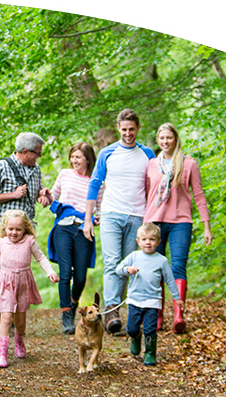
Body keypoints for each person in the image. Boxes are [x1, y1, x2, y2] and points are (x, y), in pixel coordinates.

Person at [84, 109, 156, 334]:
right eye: (124, 130)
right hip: (111, 213)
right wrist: (88, 218)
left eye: (131, 129)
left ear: (138, 128)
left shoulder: (147, 154)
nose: (128, 134)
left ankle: (116, 309)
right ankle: (112, 310)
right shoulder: (107, 153)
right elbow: (94, 184)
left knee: (126, 265)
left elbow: (156, 185)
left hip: (137, 215)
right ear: (118, 128)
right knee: (113, 262)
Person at [143, 122, 212, 333]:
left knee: (178, 268)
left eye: (169, 138)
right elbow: (147, 195)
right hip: (154, 222)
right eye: (162, 138)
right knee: (156, 270)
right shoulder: (151, 165)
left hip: (181, 222)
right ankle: (158, 315)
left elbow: (199, 196)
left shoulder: (188, 164)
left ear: (176, 139)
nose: (165, 142)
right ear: (158, 140)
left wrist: (206, 226)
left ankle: (179, 316)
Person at [0, 209, 59, 368]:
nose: (14, 232)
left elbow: (41, 257)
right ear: (5, 228)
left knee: (20, 322)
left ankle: (19, 340)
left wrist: (50, 272)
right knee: (6, 318)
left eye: (18, 229)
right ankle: (1, 354)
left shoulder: (29, 241)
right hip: (5, 284)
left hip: (23, 283)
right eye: (11, 229)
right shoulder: (1, 243)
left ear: (25, 229)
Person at [0, 132, 48, 336]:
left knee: (21, 270)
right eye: (37, 153)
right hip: (5, 227)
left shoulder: (35, 169)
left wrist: (43, 195)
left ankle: (14, 315)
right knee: (2, 267)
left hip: (27, 228)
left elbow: (36, 192)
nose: (39, 157)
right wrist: (13, 194)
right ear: (25, 152)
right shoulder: (1, 167)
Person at [41, 142, 103, 334]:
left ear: (87, 159)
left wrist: (97, 217)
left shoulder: (96, 182)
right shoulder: (65, 174)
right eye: (73, 157)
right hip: (63, 228)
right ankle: (67, 315)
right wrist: (45, 197)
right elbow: (53, 197)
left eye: (78, 157)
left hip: (84, 230)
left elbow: (99, 209)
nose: (74, 160)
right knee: (65, 273)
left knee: (81, 276)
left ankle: (74, 302)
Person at [116, 223, 183, 365]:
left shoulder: (162, 260)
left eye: (152, 239)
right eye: (144, 239)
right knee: (132, 329)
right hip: (134, 300)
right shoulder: (134, 256)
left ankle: (150, 353)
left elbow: (170, 280)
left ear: (158, 242)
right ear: (138, 241)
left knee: (150, 330)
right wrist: (128, 269)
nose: (148, 242)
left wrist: (177, 298)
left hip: (152, 301)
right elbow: (118, 269)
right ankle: (135, 337)